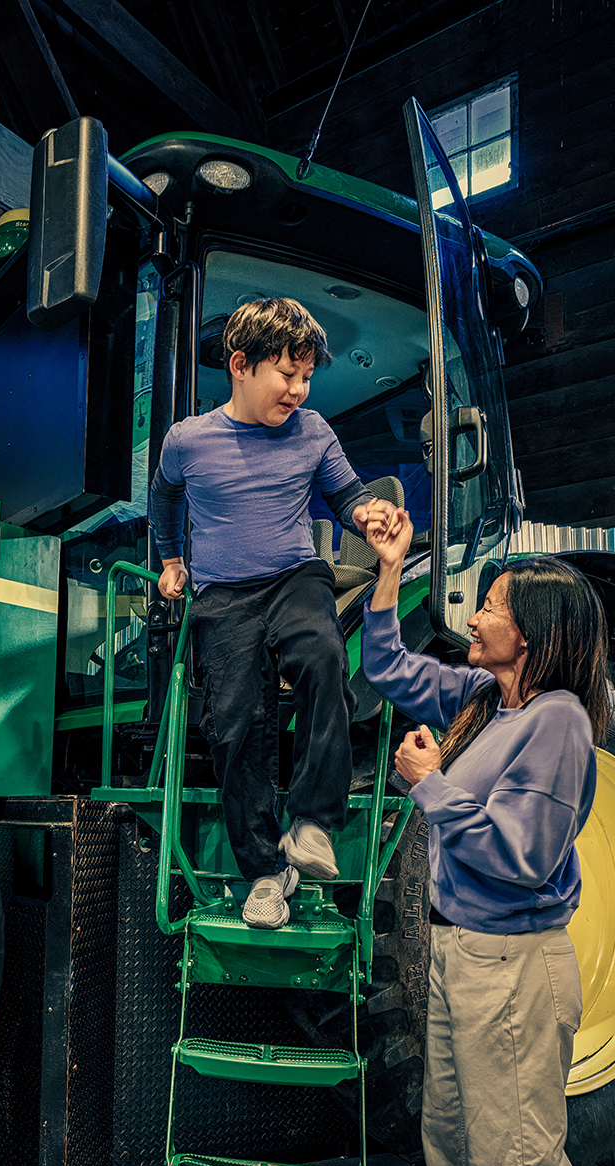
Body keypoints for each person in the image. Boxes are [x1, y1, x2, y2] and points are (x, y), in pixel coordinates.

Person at [359, 507, 615, 1166]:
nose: (478, 614)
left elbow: (521, 858)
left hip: (514, 971)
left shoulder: (554, 725)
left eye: (495, 606)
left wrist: (429, 787)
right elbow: (384, 670)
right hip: (461, 961)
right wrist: (389, 570)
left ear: (535, 636)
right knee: (460, 1162)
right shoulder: (483, 701)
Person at [150, 298, 396, 928]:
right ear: (241, 365)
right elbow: (163, 500)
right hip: (223, 594)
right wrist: (172, 559)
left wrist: (369, 515)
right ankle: (264, 872)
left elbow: (348, 495)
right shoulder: (189, 441)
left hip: (294, 577)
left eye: (306, 376)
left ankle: (313, 824)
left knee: (321, 655)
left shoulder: (313, 430)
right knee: (233, 722)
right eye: (288, 374)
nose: (299, 389)